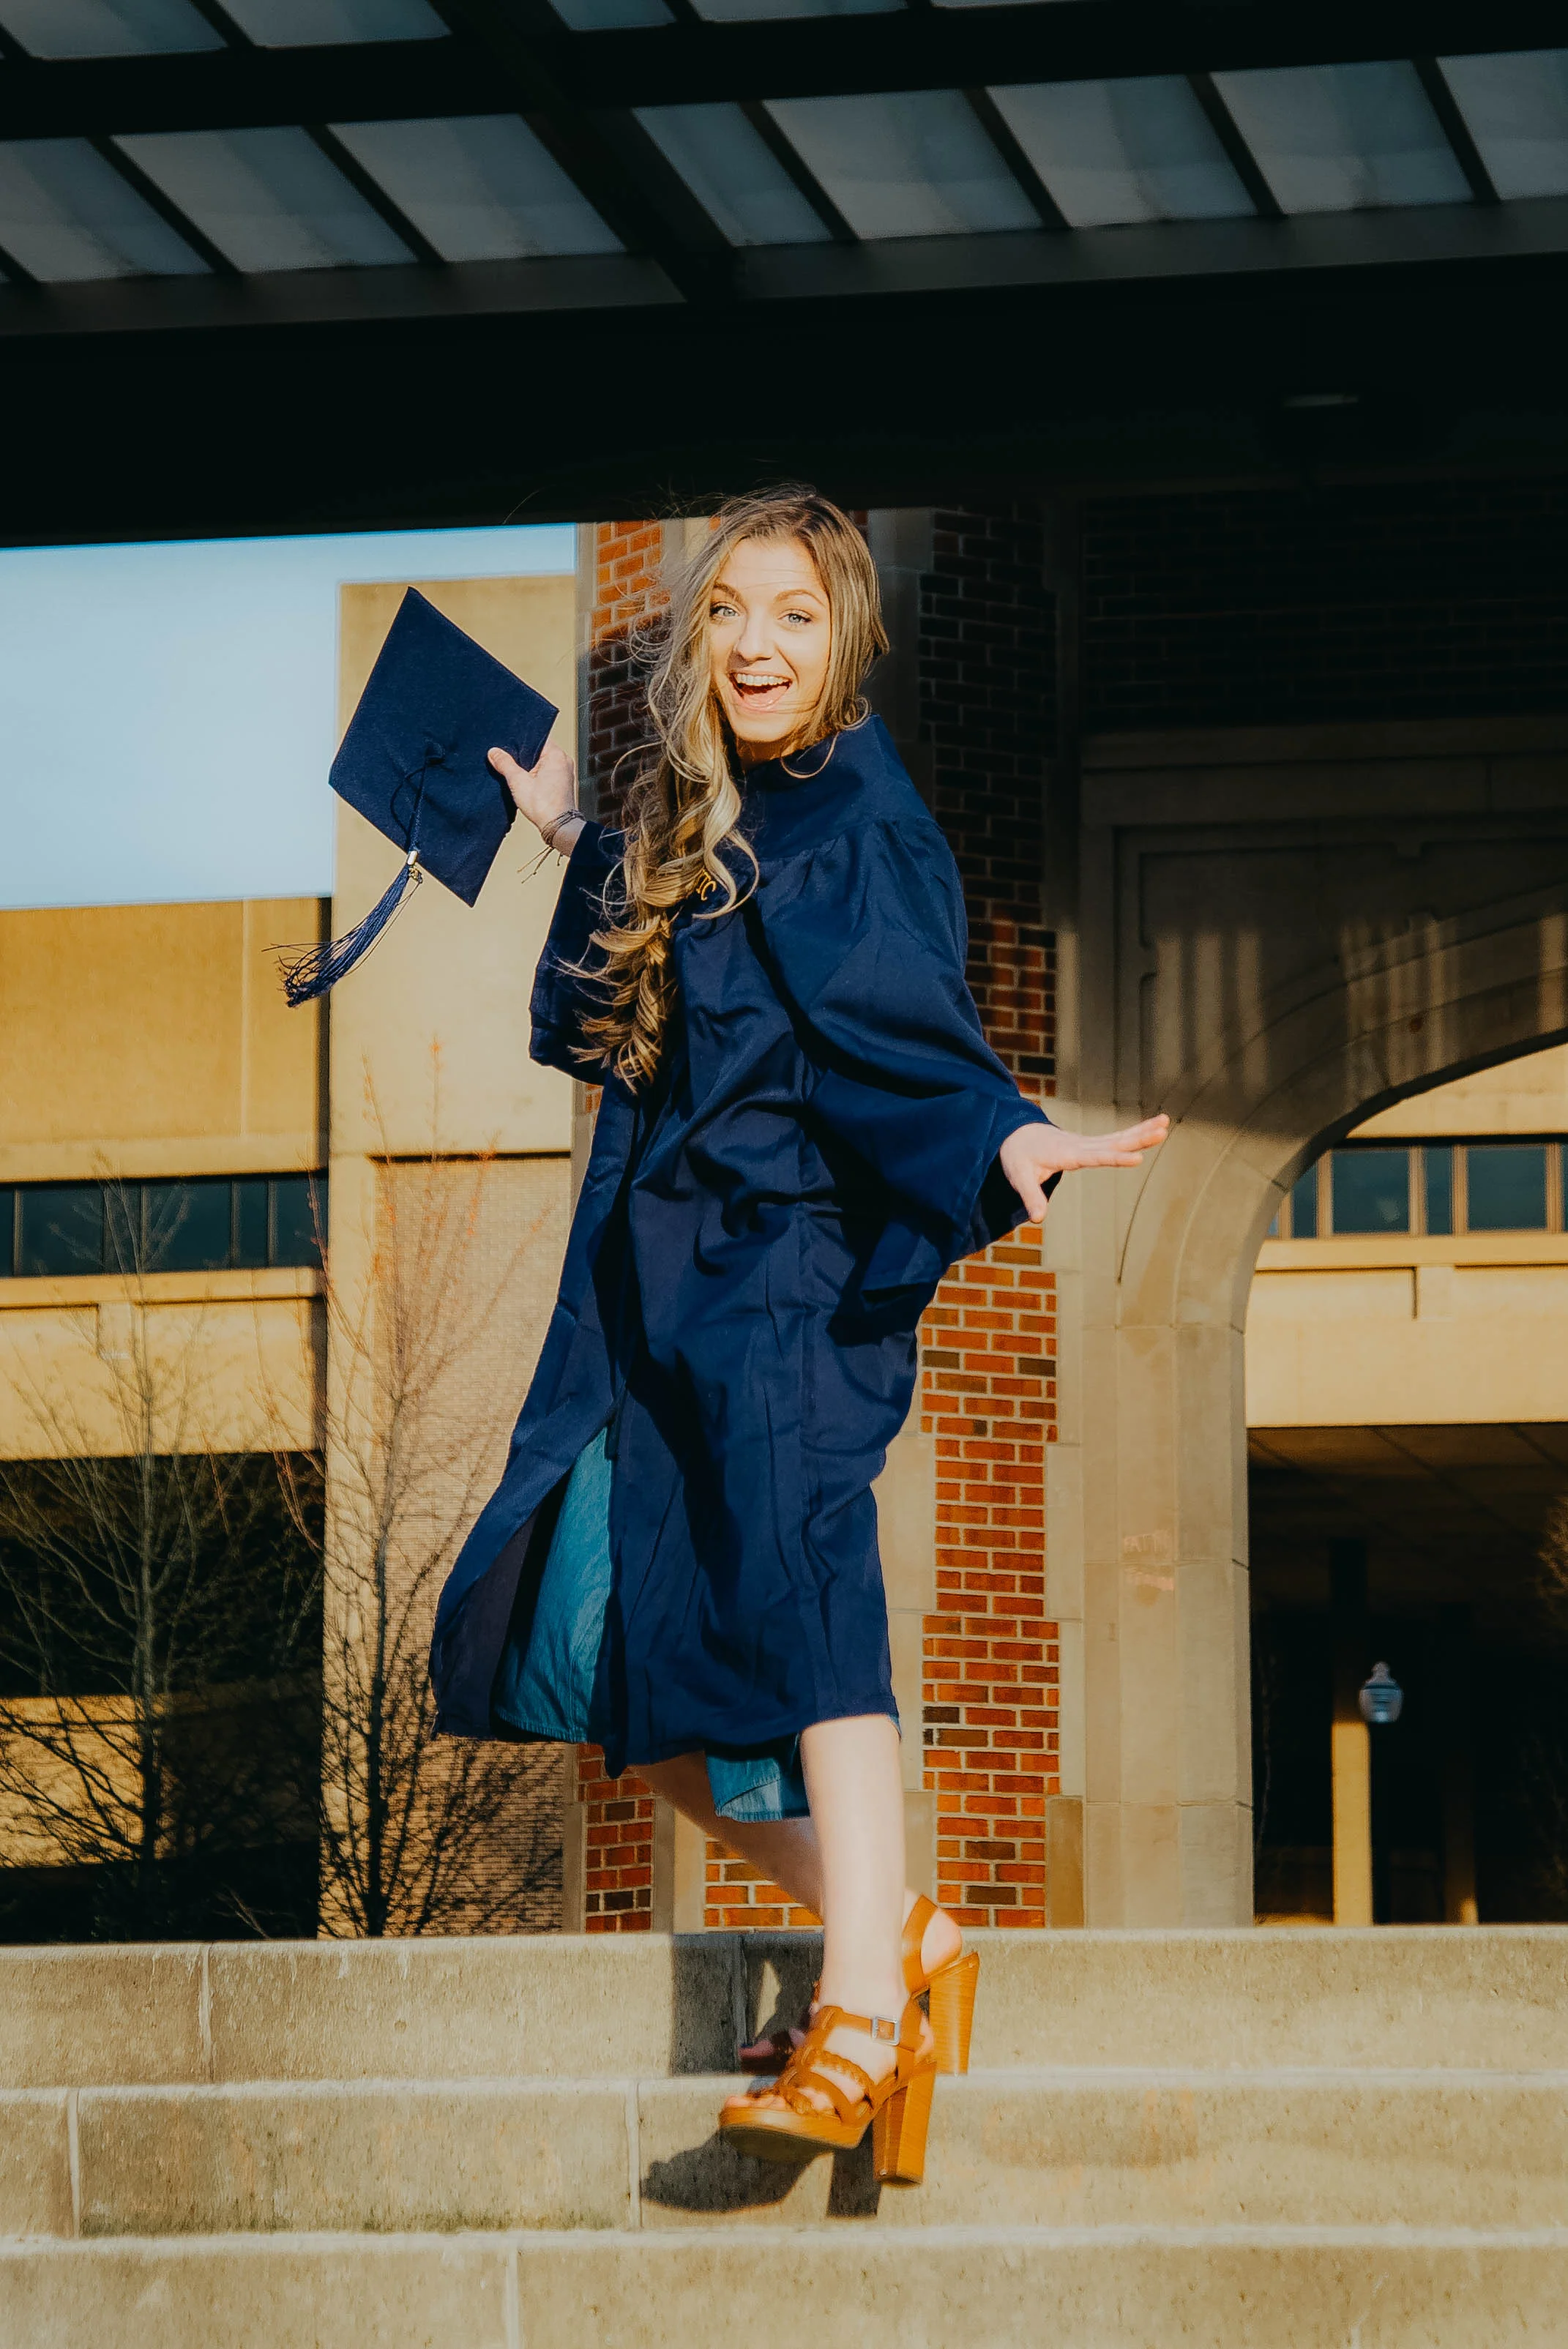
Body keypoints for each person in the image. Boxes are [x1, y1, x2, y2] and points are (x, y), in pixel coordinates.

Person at [429, 488, 1166, 2183]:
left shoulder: (866, 816)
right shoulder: (715, 806)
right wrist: (564, 836)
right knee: (616, 1651)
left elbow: (913, 1019)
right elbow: (660, 958)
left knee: (805, 1590)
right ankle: (902, 1933)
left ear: (846, 641)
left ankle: (857, 2011)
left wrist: (1005, 1134)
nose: (757, 644)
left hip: (791, 1283)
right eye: (732, 613)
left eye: (797, 616)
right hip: (665, 1287)